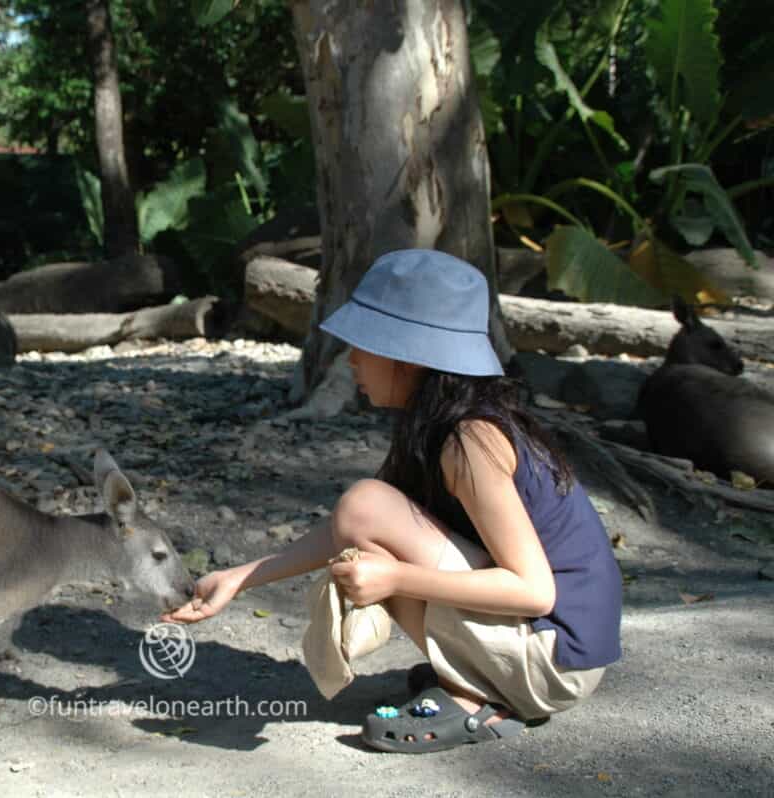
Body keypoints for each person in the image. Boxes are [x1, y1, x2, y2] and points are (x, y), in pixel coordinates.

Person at [163, 249, 622, 753]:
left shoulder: (472, 441)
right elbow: (353, 525)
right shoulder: (442, 423)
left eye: (364, 345)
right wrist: (241, 578)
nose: (352, 360)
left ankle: (477, 696)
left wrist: (397, 578)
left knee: (367, 506)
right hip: (548, 650)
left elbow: (535, 593)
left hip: (552, 662)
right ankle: (479, 672)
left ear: (409, 356)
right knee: (365, 508)